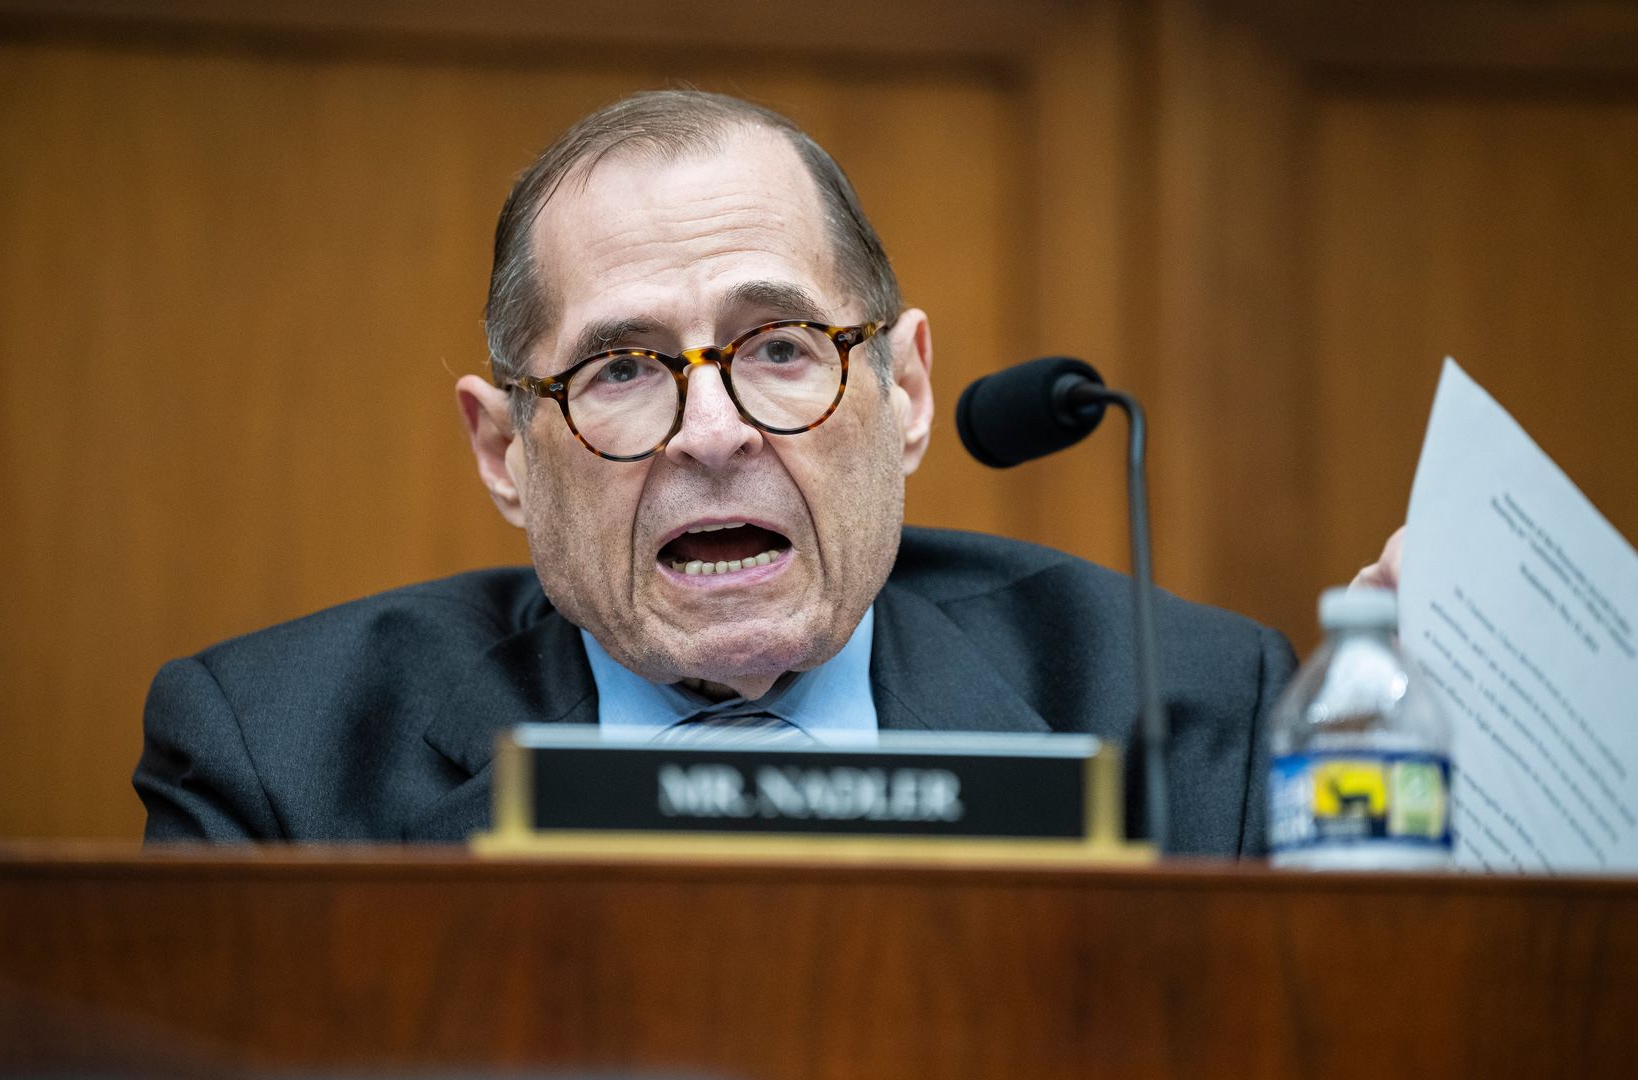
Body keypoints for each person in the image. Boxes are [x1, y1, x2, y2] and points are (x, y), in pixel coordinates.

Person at [134, 90, 1397, 853]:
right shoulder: (274, 760)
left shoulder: (1192, 714)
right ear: (505, 450)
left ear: (901, 392)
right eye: (621, 368)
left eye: (781, 348)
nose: (713, 431)